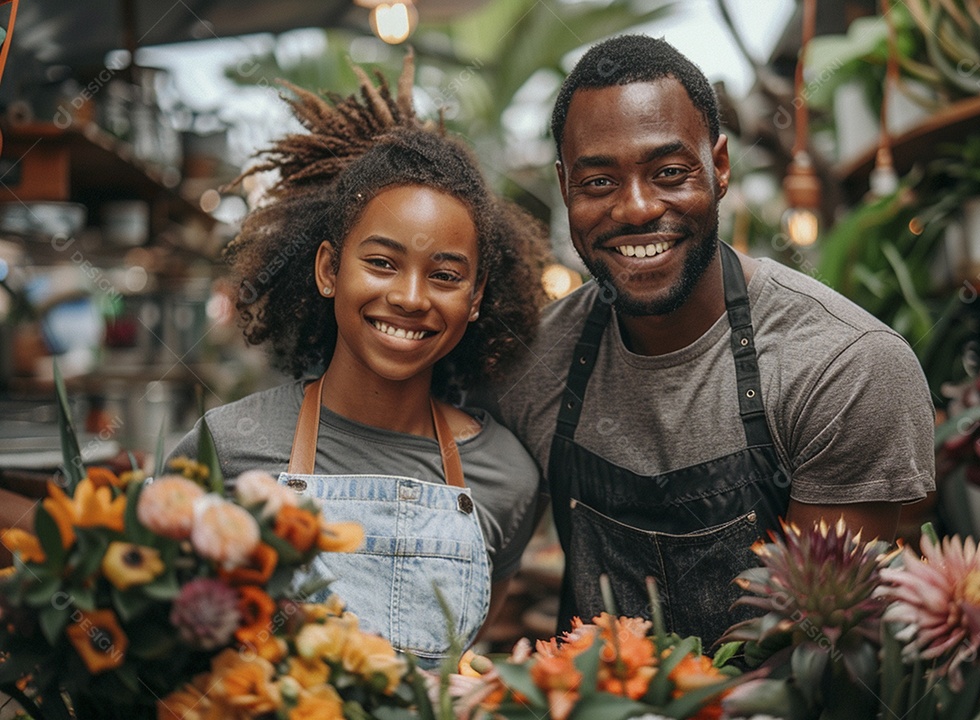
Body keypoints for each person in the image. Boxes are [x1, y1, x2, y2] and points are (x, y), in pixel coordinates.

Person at [490, 35, 936, 651]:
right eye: (599, 182)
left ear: (719, 167)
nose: (638, 208)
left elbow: (818, 648)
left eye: (670, 173)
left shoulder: (844, 365)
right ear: (565, 188)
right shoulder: (531, 365)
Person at [171, 54, 547, 667]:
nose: (410, 297)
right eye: (381, 262)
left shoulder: (507, 477)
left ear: (476, 300)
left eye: (446, 275)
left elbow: (463, 662)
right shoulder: (227, 446)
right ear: (327, 270)